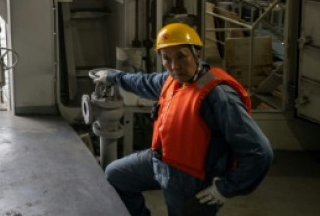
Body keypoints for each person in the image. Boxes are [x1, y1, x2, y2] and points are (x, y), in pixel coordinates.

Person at [93, 22, 273, 216]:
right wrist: (113, 76)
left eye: (181, 56)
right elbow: (142, 82)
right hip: (160, 163)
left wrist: (225, 189)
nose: (174, 66)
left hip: (192, 181)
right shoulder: (170, 80)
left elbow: (260, 152)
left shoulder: (219, 95)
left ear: (197, 54)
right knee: (116, 175)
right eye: (166, 59)